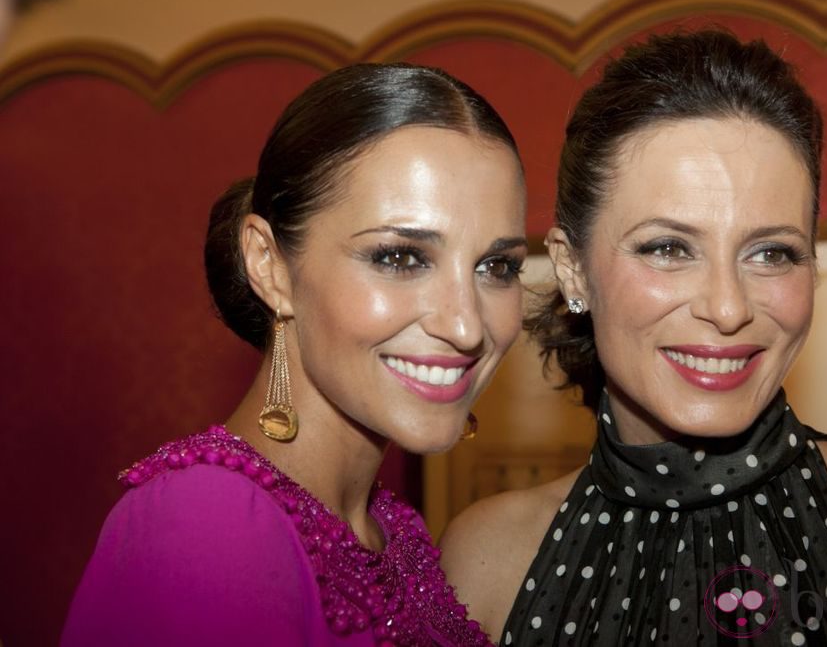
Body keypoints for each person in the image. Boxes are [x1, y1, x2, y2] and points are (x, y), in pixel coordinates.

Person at [440, 30, 827, 646]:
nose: (728, 309)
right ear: (572, 269)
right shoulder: (483, 563)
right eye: (668, 248)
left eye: (771, 253)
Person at [61, 62, 527, 646]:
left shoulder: (392, 528)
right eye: (399, 258)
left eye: (496, 267)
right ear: (270, 265)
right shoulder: (204, 525)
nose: (465, 326)